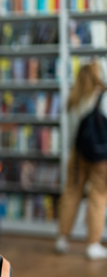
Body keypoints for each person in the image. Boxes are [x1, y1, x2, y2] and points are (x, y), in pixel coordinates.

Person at [55, 62, 107, 260]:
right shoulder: (102, 97)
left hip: (77, 156)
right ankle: (93, 244)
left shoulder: (74, 99)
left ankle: (62, 238)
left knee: (71, 194)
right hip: (101, 158)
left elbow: (69, 133)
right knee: (98, 197)